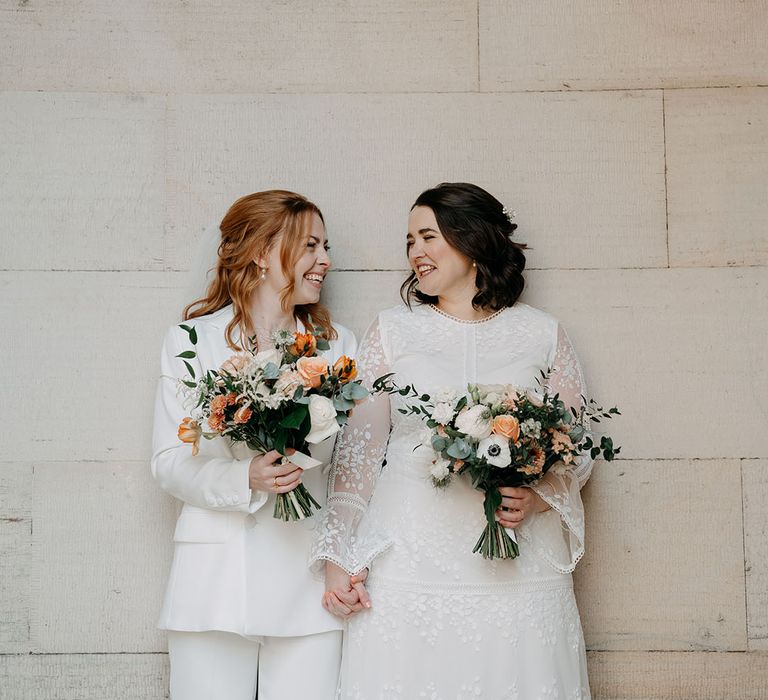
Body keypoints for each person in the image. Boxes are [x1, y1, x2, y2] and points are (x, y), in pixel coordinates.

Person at [311, 182, 593, 698]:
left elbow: (578, 446)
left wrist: (538, 496)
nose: (415, 253)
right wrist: (336, 559)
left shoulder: (542, 333)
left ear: (472, 239)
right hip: (409, 557)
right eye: (409, 243)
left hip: (517, 561)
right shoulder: (392, 331)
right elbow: (358, 456)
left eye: (427, 237)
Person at [151, 190, 356, 700]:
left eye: (325, 246)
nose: (325, 260)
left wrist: (347, 562)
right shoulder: (192, 342)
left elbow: (354, 470)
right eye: (310, 246)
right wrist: (245, 477)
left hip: (307, 581)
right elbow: (169, 462)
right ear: (262, 252)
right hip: (214, 581)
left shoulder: (340, 348)